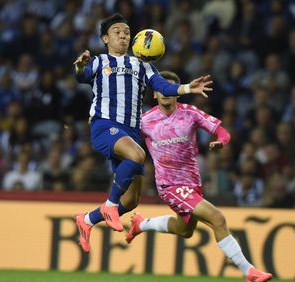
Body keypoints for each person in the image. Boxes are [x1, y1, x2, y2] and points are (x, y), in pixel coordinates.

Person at [73, 14, 212, 253]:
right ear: (106, 38)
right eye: (117, 32)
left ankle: (86, 220)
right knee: (137, 156)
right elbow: (81, 76)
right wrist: (79, 65)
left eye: (127, 32)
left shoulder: (143, 66)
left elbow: (163, 86)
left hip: (131, 132)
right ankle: (108, 206)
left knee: (131, 201)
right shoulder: (99, 61)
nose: (123, 35)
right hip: (105, 125)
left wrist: (188, 87)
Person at [126, 71, 272, 282]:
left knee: (185, 230)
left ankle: (141, 224)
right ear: (155, 94)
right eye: (161, 89)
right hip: (169, 185)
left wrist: (222, 140)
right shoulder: (144, 121)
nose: (166, 93)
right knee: (218, 218)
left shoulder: (190, 113)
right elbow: (124, 140)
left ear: (177, 93)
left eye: (171, 89)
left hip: (193, 184)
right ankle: (249, 271)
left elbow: (222, 131)